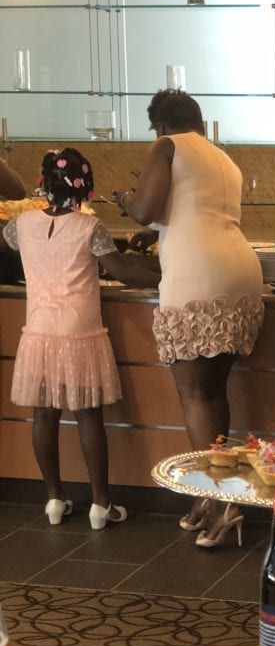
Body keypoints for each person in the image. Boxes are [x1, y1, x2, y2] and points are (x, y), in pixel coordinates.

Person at [117, 89, 264, 547]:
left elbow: (145, 209)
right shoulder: (223, 159)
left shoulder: (166, 146)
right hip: (240, 272)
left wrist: (125, 198)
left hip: (197, 278)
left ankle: (223, 505)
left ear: (159, 124)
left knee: (195, 396)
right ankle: (207, 496)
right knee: (214, 393)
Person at [1, 148, 160, 528]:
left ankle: (54, 499)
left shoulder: (19, 225)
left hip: (38, 332)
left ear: (43, 183)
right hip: (79, 332)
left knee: (43, 415)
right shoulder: (91, 227)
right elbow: (122, 272)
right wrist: (166, 278)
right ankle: (100, 505)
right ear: (85, 186)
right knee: (88, 417)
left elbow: (14, 251)